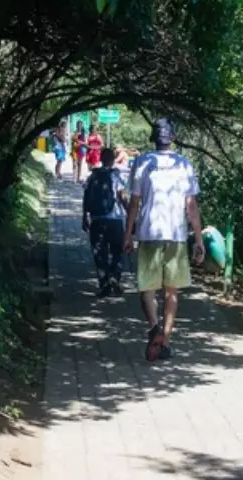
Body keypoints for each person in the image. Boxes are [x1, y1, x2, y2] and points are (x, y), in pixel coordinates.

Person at [123, 118, 204, 362]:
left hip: (149, 233)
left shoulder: (142, 162)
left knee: (147, 288)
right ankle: (166, 343)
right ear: (172, 138)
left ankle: (154, 327)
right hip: (177, 235)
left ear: (154, 138)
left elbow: (134, 203)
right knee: (172, 292)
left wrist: (128, 234)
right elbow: (191, 206)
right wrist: (198, 239)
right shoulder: (184, 164)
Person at [82, 148, 129, 297]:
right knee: (117, 250)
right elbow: (122, 197)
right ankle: (115, 277)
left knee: (99, 254)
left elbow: (86, 196)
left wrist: (84, 217)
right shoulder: (116, 176)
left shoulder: (92, 175)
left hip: (96, 220)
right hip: (114, 220)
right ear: (112, 159)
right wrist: (131, 215)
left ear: (101, 159)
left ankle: (104, 285)